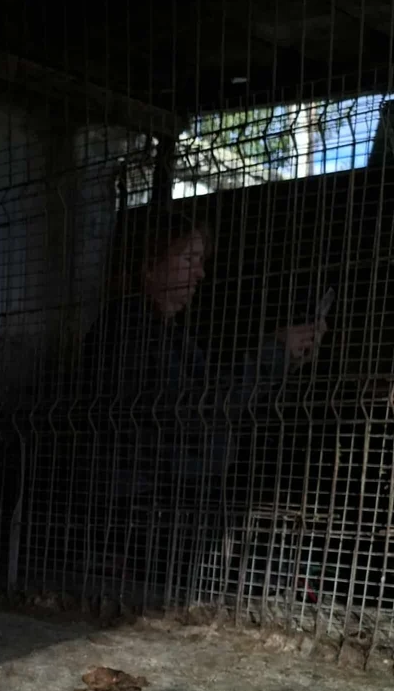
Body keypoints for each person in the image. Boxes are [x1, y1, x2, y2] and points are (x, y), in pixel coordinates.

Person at [83, 209, 327, 504]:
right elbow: (193, 408)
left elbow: (218, 399)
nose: (200, 273)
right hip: (137, 505)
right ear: (149, 265)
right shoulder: (128, 328)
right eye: (188, 260)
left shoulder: (170, 333)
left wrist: (286, 360)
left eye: (200, 262)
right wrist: (274, 355)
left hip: (166, 502)